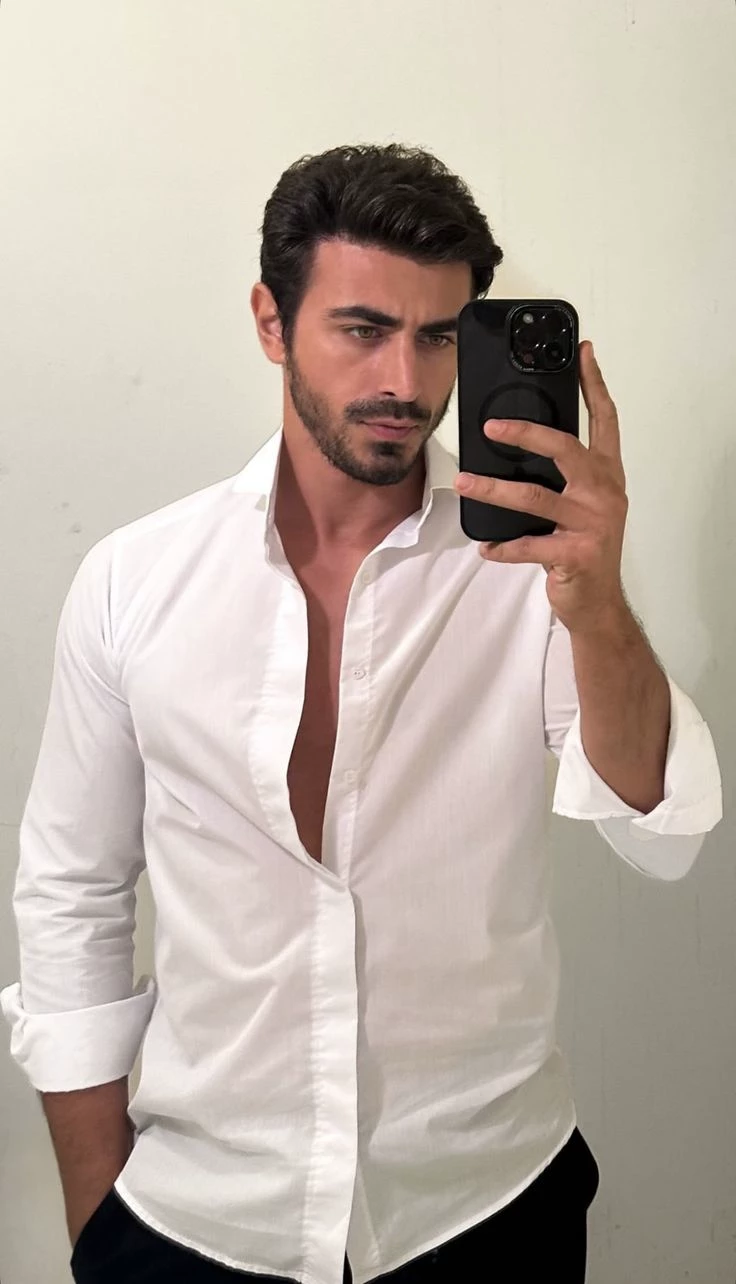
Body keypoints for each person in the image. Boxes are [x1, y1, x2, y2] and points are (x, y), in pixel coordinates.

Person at [1, 143, 722, 1284]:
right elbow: (72, 890)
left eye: (438, 337)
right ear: (271, 322)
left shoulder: (532, 575)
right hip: (201, 1213)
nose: (405, 378)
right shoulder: (135, 583)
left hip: (483, 1200)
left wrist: (595, 602)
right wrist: (98, 1220)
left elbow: (657, 827)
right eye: (362, 328)